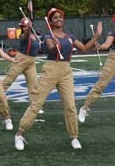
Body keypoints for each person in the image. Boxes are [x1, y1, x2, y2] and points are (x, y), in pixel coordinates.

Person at [14, 8, 102, 150]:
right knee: (37, 103)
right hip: (51, 69)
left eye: (60, 17)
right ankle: (19, 134)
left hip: (66, 70)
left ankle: (74, 136)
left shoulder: (69, 35)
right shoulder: (49, 35)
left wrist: (96, 36)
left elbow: (84, 48)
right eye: (55, 18)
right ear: (51, 21)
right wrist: (54, 45)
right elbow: (50, 49)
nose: (58, 19)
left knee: (70, 106)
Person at [0, 17, 41, 115]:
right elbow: (26, 36)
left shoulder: (34, 35)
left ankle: (34, 106)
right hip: (21, 59)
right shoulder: (22, 35)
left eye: (26, 26)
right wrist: (28, 29)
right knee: (8, 80)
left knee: (33, 85)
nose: (25, 28)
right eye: (23, 26)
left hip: (31, 61)